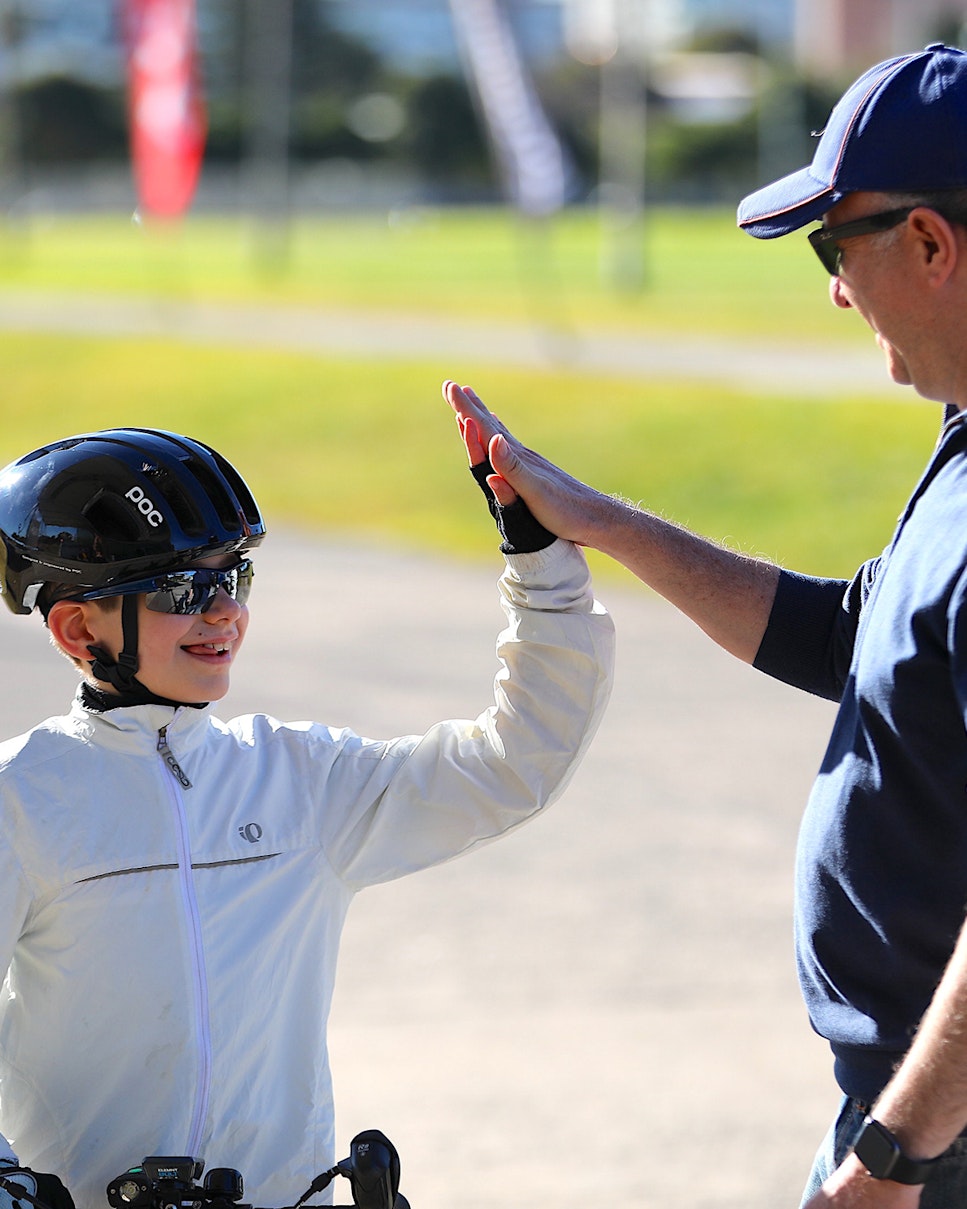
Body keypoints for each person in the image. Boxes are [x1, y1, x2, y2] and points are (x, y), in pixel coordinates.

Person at [446, 41, 967, 1209]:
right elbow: (853, 640)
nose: (835, 288)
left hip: (930, 1142)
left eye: (839, 247)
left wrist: (893, 1159)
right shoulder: (961, 440)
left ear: (929, 243)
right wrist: (601, 521)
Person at [0, 417, 614, 1209]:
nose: (223, 612)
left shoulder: (298, 778)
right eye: (183, 590)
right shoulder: (23, 794)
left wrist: (541, 565)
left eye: (236, 579)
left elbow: (514, 760)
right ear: (78, 627)